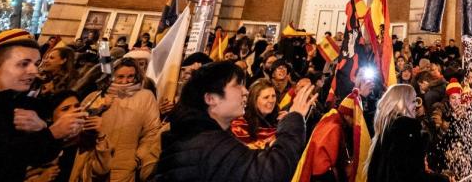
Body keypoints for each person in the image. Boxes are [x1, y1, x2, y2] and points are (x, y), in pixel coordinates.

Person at [0, 28, 86, 182]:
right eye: (23, 64)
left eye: (36, 64)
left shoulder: (17, 103)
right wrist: (52, 133)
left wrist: (43, 129)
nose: (33, 71)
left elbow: (34, 155)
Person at [156, 61, 317, 182]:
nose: (245, 91)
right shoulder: (210, 145)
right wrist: (294, 118)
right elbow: (270, 173)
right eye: (237, 86)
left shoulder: (202, 137)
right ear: (211, 98)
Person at [83, 58, 162, 182]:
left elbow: (152, 131)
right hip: (95, 163)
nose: (125, 81)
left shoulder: (145, 96)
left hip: (126, 167)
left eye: (130, 76)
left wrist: (138, 157)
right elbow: (79, 127)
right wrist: (99, 108)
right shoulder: (96, 96)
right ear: (111, 76)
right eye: (120, 76)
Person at [25, 90, 112, 182]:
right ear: (50, 117)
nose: (74, 111)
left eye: (77, 106)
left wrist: (101, 136)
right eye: (65, 109)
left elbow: (100, 171)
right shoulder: (38, 143)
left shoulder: (86, 142)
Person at [366, 84, 448, 182]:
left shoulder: (386, 129)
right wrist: (442, 180)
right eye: (413, 101)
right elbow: (411, 176)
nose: (416, 105)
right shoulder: (405, 129)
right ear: (401, 103)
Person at [295, 89, 370, 182]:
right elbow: (327, 159)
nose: (354, 122)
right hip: (322, 175)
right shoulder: (334, 127)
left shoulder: (333, 119)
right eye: (353, 118)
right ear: (347, 116)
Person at [230, 78, 282, 148]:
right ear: (254, 100)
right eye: (266, 97)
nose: (271, 101)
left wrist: (286, 122)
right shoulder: (240, 124)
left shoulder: (278, 117)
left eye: (273, 96)